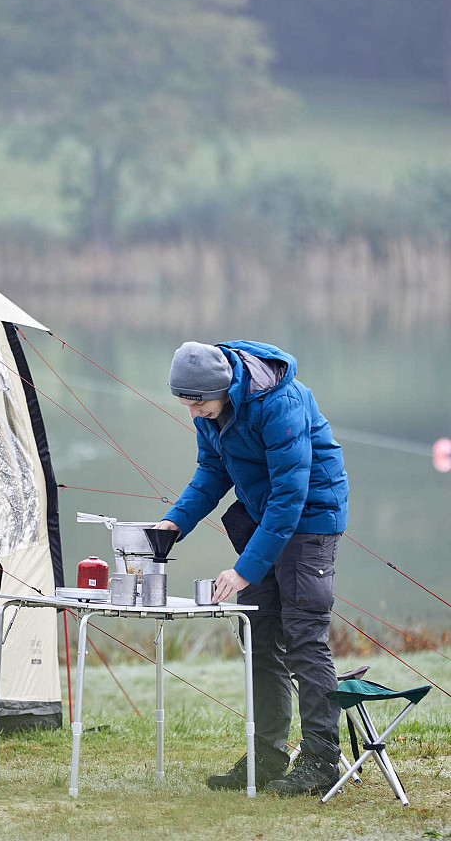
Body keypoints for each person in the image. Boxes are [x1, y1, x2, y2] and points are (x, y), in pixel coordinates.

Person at [156, 340, 348, 796]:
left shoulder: (280, 402)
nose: (193, 414)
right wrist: (173, 524)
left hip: (311, 517)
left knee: (303, 637)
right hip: (267, 516)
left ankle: (321, 760)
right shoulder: (210, 410)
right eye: (184, 404)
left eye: (198, 403)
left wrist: (243, 570)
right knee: (259, 638)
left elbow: (289, 497)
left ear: (222, 387)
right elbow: (211, 473)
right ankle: (267, 756)